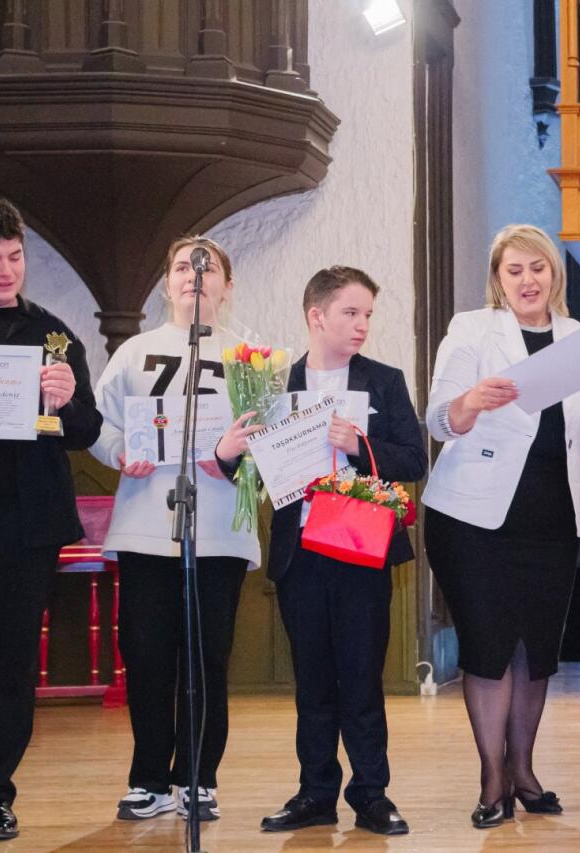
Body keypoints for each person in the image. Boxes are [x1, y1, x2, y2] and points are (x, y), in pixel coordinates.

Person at [422, 224, 580, 829]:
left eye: (538, 268)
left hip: (551, 518)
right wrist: (472, 401)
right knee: (489, 649)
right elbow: (438, 420)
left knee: (535, 653)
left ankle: (525, 769)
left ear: (554, 274)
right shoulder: (472, 330)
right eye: (515, 271)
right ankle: (492, 779)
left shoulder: (577, 338)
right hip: (472, 518)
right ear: (498, 280)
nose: (528, 280)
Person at [91, 236, 260, 823]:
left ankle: (197, 778)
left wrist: (236, 455)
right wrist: (118, 453)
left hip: (219, 531)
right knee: (146, 655)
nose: (196, 275)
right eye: (185, 266)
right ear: (167, 282)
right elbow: (98, 423)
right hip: (144, 525)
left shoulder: (252, 359)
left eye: (208, 268)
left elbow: (273, 444)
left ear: (227, 287)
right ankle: (147, 780)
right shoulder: (134, 352)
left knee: (207, 657)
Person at [256, 266, 427, 836]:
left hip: (361, 549)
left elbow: (413, 459)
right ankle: (314, 793)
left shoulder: (383, 380)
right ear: (316, 316)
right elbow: (248, 464)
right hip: (300, 551)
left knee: (361, 678)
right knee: (312, 680)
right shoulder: (274, 384)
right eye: (351, 313)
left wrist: (360, 444)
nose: (361, 325)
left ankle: (372, 794)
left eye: (368, 315)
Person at [0, 198, 102, 842]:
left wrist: (69, 399)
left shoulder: (52, 333)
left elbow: (84, 432)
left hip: (25, 524)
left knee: (13, 665)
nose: (5, 271)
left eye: (14, 257)